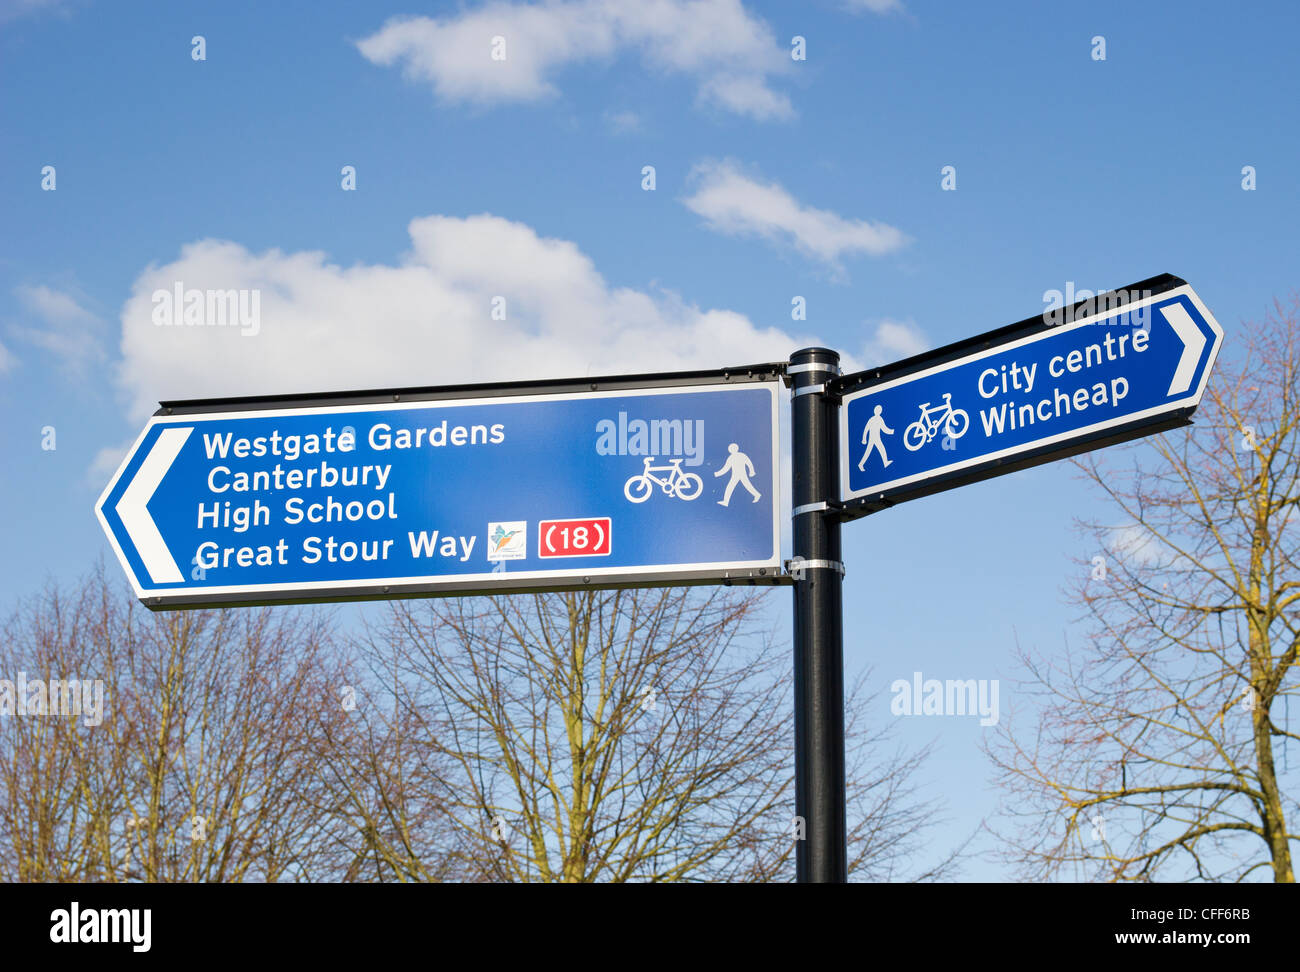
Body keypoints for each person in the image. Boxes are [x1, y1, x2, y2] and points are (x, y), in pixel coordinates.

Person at [859, 404, 894, 470]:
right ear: (875, 411)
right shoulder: (872, 419)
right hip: (873, 438)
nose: (878, 411)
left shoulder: (879, 419)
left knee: (881, 449)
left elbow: (884, 428)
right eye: (878, 410)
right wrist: (864, 439)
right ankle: (861, 464)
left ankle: (885, 462)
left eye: (879, 410)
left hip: (876, 438)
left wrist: (892, 431)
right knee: (868, 451)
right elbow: (866, 429)